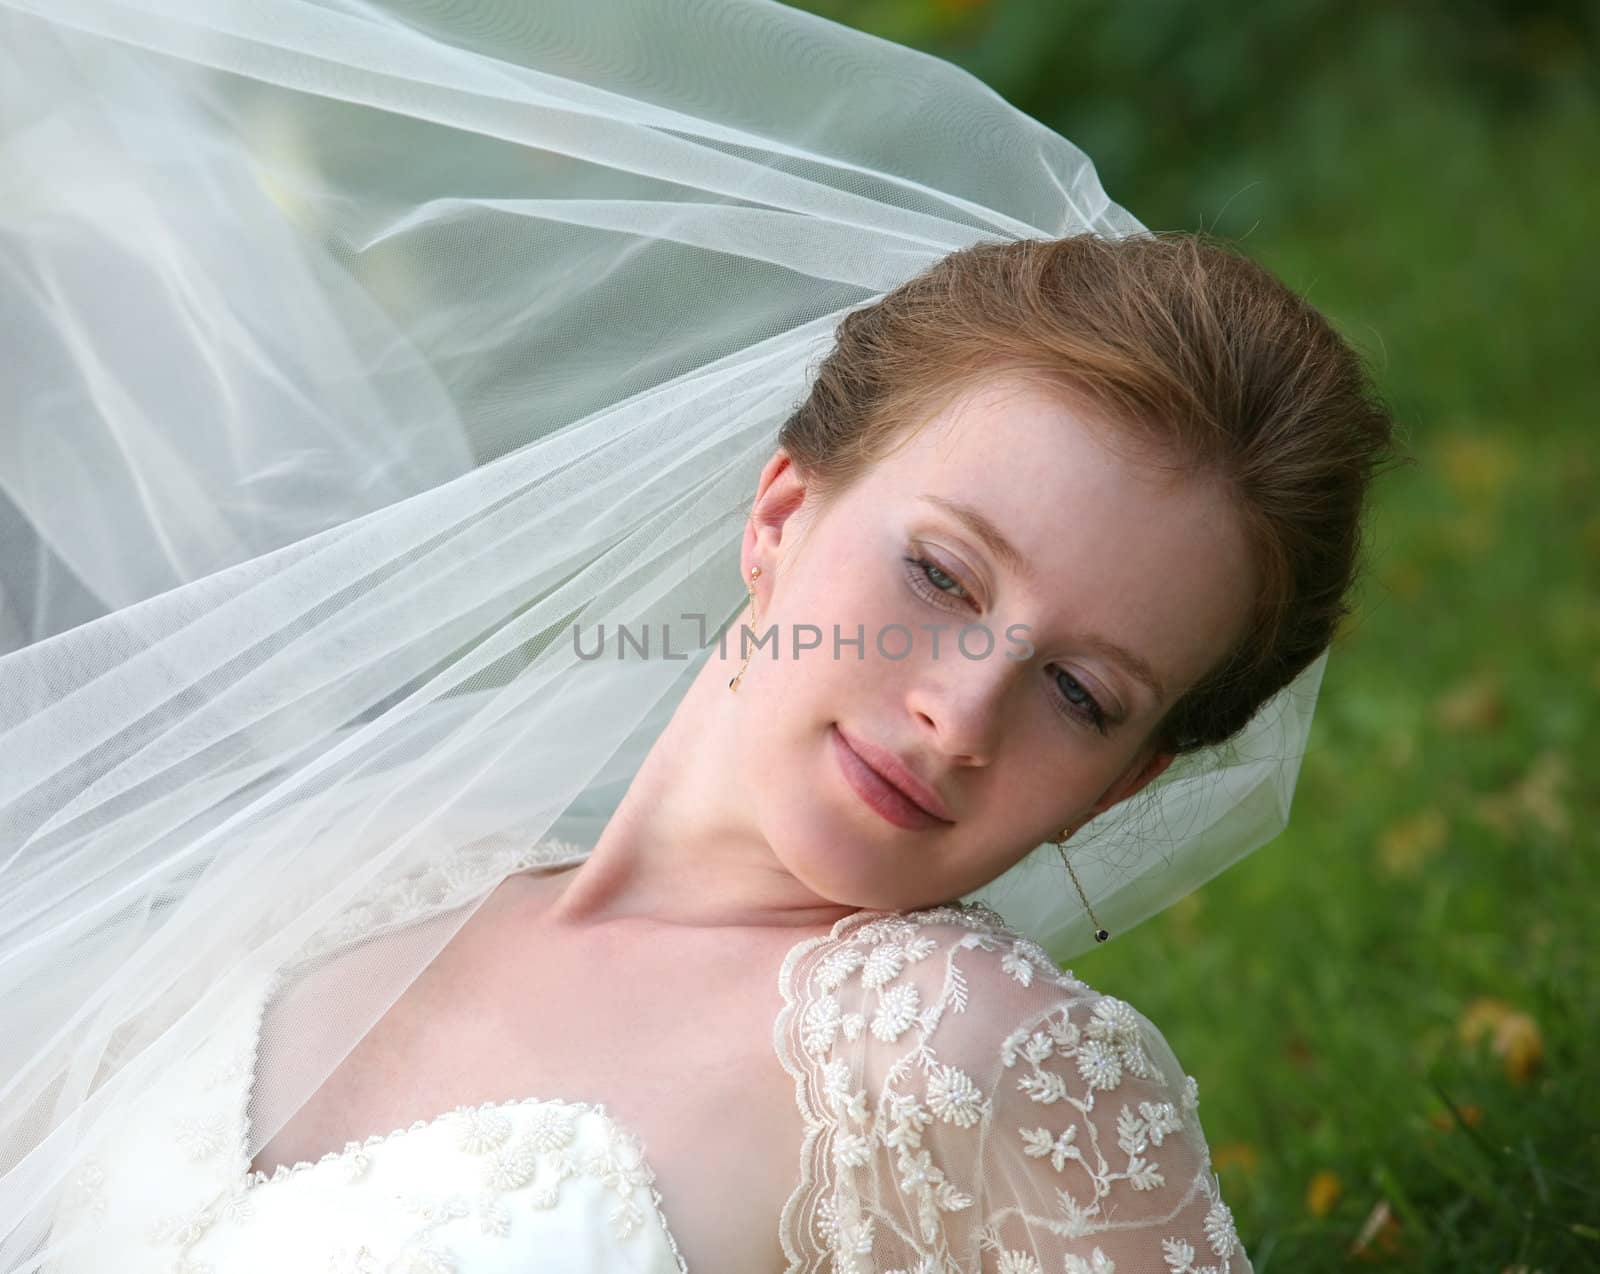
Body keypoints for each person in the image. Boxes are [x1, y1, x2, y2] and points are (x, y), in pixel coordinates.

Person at [0, 2, 1397, 1272]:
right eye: (940, 574)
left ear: (1129, 783)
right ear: (781, 513)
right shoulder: (339, 872)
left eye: (1084, 693)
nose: (962, 714)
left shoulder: (970, 1069)